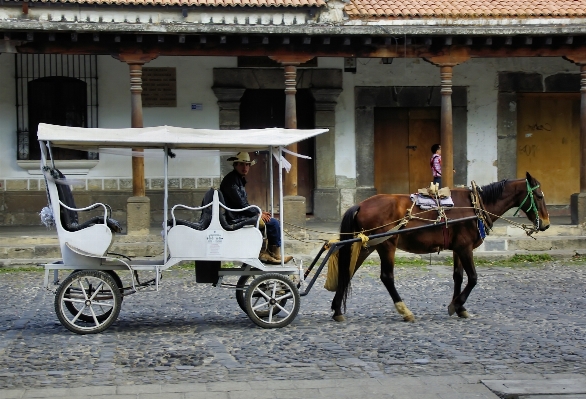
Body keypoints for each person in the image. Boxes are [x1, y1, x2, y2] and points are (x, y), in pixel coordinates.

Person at [220, 152, 292, 264]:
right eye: (241, 164)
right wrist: (257, 214)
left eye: (247, 165)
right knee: (273, 223)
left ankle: (272, 253)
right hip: (235, 218)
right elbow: (241, 205)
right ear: (235, 165)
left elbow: (242, 204)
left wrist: (258, 212)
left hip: (238, 214)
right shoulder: (231, 181)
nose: (245, 167)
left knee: (271, 221)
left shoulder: (237, 179)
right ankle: (266, 254)